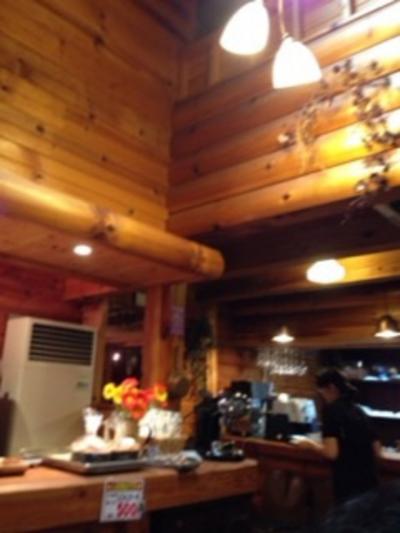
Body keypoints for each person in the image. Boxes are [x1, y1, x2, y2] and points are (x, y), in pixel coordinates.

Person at [293, 368, 381, 504]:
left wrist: (310, 445)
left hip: (347, 482)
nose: (322, 398)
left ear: (331, 388)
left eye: (321, 393)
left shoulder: (331, 411)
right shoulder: (359, 411)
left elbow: (331, 453)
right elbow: (377, 450)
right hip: (369, 482)